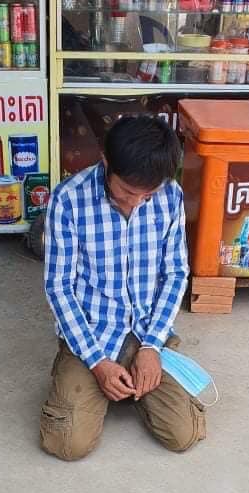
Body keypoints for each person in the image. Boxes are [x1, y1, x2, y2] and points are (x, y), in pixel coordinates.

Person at [40, 116, 206, 461]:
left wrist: (152, 347)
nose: (136, 203)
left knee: (184, 434)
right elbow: (59, 287)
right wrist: (97, 362)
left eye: (148, 195)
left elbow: (176, 273)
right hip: (93, 334)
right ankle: (95, 379)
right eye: (127, 192)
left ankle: (136, 381)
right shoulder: (68, 200)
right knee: (68, 444)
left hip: (148, 330)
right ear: (106, 162)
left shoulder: (171, 195)